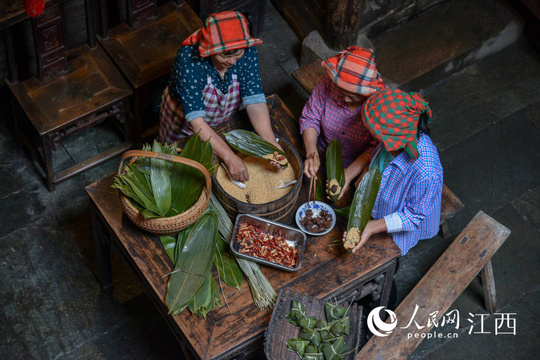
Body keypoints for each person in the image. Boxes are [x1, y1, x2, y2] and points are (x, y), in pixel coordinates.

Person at [158, 11, 281, 182]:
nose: (232, 62)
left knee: (216, 149)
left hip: (222, 111)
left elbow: (254, 100)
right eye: (225, 56)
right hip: (185, 118)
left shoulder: (248, 52)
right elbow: (197, 122)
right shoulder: (189, 58)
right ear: (209, 50)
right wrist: (229, 157)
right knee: (178, 159)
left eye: (237, 54)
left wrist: (269, 141)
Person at [347, 88, 444, 256]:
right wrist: (365, 172)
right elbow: (378, 160)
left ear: (394, 137)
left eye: (377, 134)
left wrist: (372, 227)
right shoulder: (395, 140)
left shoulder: (428, 173)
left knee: (386, 257)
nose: (374, 136)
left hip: (400, 222)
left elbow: (414, 215)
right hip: (380, 202)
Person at [299, 46, 386, 197]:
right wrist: (311, 152)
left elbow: (376, 147)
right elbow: (310, 118)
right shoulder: (328, 82)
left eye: (353, 97)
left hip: (356, 164)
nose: (345, 99)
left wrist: (349, 174)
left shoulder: (379, 103)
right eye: (342, 92)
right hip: (322, 150)